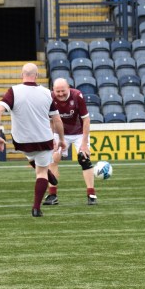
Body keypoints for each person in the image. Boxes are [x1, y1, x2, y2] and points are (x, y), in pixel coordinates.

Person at [0, 63, 65, 217]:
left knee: (32, 156)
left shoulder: (13, 91)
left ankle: (41, 167)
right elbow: (57, 119)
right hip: (44, 139)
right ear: (37, 75)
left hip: (22, 141)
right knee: (41, 173)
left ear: (21, 75)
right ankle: (36, 208)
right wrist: (62, 139)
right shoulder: (47, 93)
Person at [46, 78, 98, 206]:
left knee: (84, 159)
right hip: (59, 132)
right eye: (57, 91)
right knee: (53, 159)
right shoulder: (50, 97)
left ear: (69, 88)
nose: (60, 94)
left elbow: (86, 120)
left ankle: (91, 194)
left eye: (63, 91)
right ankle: (52, 195)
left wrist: (84, 144)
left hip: (79, 132)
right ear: (53, 90)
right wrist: (51, 139)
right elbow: (51, 121)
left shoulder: (77, 96)